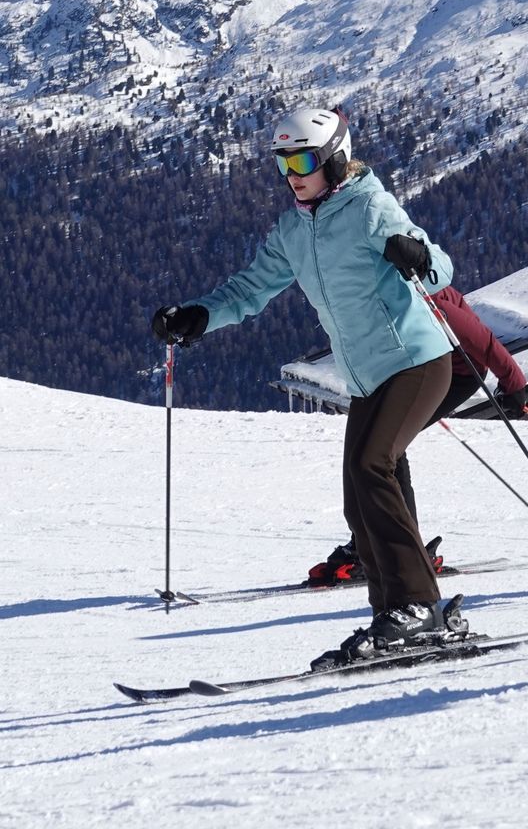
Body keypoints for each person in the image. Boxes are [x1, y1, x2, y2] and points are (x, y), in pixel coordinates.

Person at [152, 106, 463, 663]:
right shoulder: (294, 229)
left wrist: (418, 256)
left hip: (415, 361)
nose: (291, 174)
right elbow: (250, 288)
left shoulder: (369, 206)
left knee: (373, 465)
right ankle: (393, 612)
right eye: (282, 163)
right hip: (368, 377)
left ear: (336, 161)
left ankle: (418, 606)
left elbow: (438, 265)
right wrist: (200, 314)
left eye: (301, 160)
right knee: (359, 491)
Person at [310, 285, 527, 584]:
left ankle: (395, 544)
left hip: (456, 375)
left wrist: (514, 383)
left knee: (384, 448)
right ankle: (381, 539)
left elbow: (481, 338)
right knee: (382, 447)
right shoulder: (377, 290)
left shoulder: (422, 296)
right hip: (409, 369)